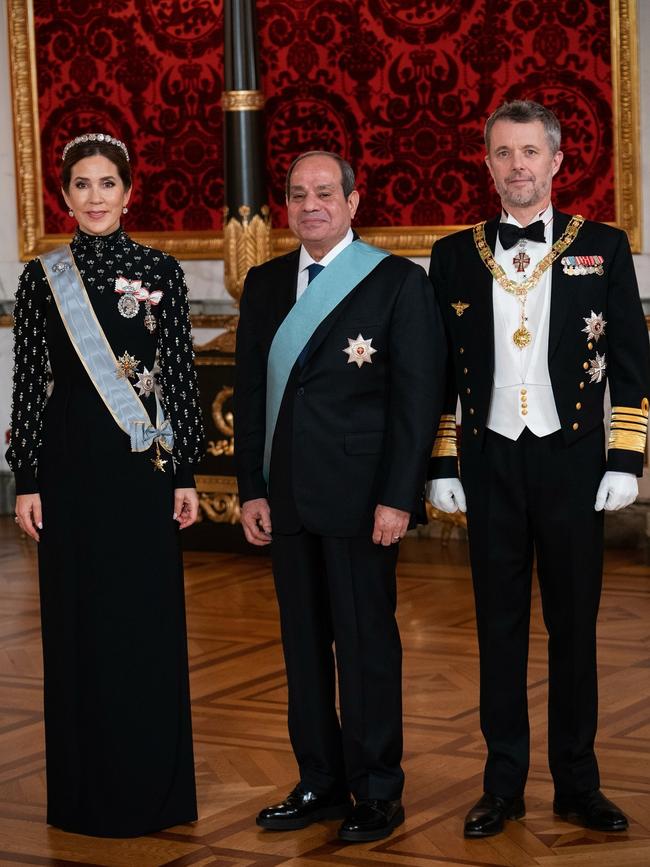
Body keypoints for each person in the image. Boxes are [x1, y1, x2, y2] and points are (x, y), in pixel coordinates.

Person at [427, 100, 650, 838]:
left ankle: (578, 783)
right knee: (498, 628)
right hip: (490, 461)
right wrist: (444, 458)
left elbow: (632, 365)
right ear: (486, 163)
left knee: (574, 629)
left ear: (557, 161)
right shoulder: (455, 253)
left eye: (530, 152)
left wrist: (626, 457)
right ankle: (502, 784)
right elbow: (437, 370)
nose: (517, 166)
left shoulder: (605, 247)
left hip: (571, 461)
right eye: (503, 153)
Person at [235, 151, 445, 842]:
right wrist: (250, 489)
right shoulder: (265, 284)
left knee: (365, 648)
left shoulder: (394, 283)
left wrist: (398, 497)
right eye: (298, 195)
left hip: (362, 503)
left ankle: (378, 789)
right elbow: (252, 396)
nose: (311, 205)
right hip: (287, 498)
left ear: (354, 202)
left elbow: (417, 402)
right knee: (302, 649)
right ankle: (319, 780)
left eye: (326, 193)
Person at [6, 133, 204, 838]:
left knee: (143, 627)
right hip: (69, 472)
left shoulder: (160, 270)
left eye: (107, 184)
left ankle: (154, 791)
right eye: (82, 185)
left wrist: (185, 473)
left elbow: (178, 375)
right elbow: (30, 381)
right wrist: (26, 478)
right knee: (79, 628)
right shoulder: (43, 276)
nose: (95, 197)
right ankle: (85, 796)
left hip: (140, 471)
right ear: (66, 196)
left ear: (129, 191)